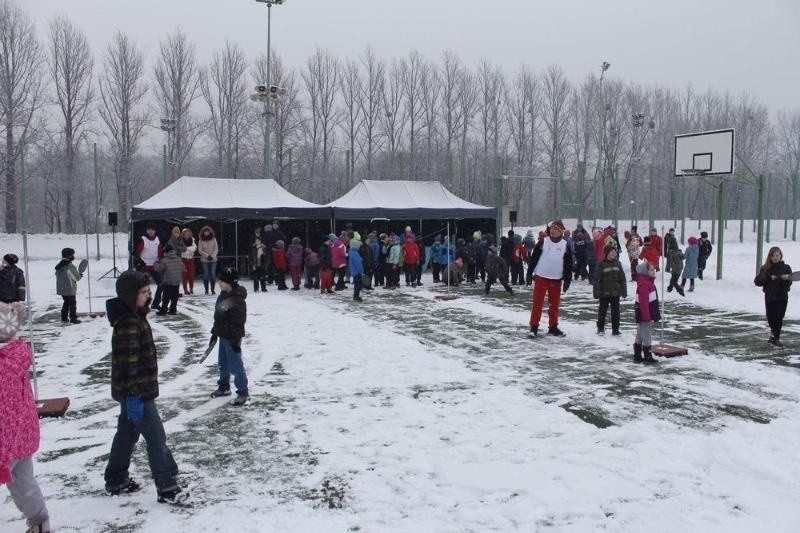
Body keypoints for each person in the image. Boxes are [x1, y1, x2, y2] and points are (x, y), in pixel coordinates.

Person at [104, 270, 186, 504]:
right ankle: (167, 486)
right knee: (155, 437)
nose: (148, 295)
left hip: (135, 390)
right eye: (143, 292)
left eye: (148, 291)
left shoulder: (136, 316)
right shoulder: (129, 322)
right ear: (130, 296)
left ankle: (116, 479)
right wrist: (132, 395)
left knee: (127, 433)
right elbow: (128, 362)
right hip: (137, 392)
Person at [0, 301, 51, 533]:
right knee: (24, 481)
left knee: (23, 481)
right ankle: (40, 522)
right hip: (22, 433)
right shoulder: (15, 354)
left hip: (5, 440)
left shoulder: (2, 365)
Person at [209, 267, 250, 405]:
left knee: (235, 365)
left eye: (222, 281)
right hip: (223, 335)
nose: (219, 284)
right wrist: (215, 331)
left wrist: (233, 339)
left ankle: (243, 392)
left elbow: (239, 321)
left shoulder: (237, 300)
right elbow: (219, 316)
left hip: (232, 337)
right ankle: (224, 386)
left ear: (230, 283)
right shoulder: (223, 295)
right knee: (223, 363)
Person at [528, 220, 573, 337]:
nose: (553, 231)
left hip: (556, 279)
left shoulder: (565, 245)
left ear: (561, 232)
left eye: (556, 229)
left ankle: (553, 327)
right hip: (541, 276)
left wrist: (567, 280)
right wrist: (529, 273)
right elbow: (534, 258)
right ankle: (534, 327)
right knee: (537, 303)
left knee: (554, 304)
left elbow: (568, 265)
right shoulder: (543, 242)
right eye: (552, 228)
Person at [754, 247, 793, 347]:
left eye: (777, 255)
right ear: (770, 256)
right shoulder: (765, 268)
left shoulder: (786, 268)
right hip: (770, 297)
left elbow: (790, 283)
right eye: (773, 256)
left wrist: (786, 279)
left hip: (782, 297)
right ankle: (772, 336)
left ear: (781, 256)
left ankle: (776, 338)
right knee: (771, 318)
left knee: (779, 318)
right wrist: (768, 278)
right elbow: (757, 282)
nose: (775, 257)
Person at [593, 245, 627, 336]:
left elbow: (622, 278)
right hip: (604, 292)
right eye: (612, 252)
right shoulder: (601, 264)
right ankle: (600, 328)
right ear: (607, 253)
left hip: (616, 292)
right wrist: (596, 292)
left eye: (615, 252)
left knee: (616, 312)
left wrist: (624, 290)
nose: (614, 253)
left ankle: (615, 329)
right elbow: (596, 280)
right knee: (602, 311)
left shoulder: (618, 264)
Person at [633, 261, 660, 364]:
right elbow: (643, 303)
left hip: (644, 314)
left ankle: (637, 355)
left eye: (654, 269)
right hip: (645, 314)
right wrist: (646, 316)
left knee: (640, 334)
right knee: (647, 334)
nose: (654, 271)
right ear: (645, 272)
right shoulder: (645, 284)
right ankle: (647, 355)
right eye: (651, 270)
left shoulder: (647, 283)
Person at [134, 223, 164, 309]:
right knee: (142, 287)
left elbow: (160, 253)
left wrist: (161, 261)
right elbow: (136, 253)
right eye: (149, 230)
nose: (151, 231)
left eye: (152, 230)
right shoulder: (143, 239)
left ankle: (155, 304)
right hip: (144, 266)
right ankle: (142, 304)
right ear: (146, 231)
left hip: (154, 265)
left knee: (161, 284)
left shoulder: (158, 239)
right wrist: (140, 262)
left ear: (155, 231)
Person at [55, 247, 86, 324]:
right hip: (70, 288)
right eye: (72, 254)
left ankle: (64, 318)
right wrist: (80, 274)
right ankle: (73, 318)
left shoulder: (59, 265)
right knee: (72, 304)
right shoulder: (69, 266)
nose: (73, 256)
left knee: (66, 303)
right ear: (68, 256)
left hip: (62, 289)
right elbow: (76, 277)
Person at [153, 244, 183, 315]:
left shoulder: (164, 260)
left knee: (166, 297)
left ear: (165, 252)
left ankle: (163, 310)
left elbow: (158, 269)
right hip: (177, 281)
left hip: (168, 281)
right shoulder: (178, 259)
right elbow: (182, 268)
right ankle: (173, 310)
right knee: (174, 296)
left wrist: (155, 263)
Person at [197, 226, 218, 295]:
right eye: (205, 232)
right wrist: (207, 256)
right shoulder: (201, 240)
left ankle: (212, 289)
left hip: (213, 259)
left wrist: (212, 256)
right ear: (203, 232)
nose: (206, 233)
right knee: (206, 274)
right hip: (204, 260)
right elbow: (199, 250)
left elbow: (216, 249)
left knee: (212, 273)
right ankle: (206, 290)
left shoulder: (213, 239)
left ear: (210, 232)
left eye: (208, 231)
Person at [179, 229, 197, 295]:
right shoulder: (180, 241)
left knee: (191, 275)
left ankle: (191, 288)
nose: (187, 235)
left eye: (188, 234)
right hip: (183, 260)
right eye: (185, 234)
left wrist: (186, 248)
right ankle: (185, 289)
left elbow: (194, 248)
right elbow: (181, 250)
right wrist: (189, 249)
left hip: (191, 260)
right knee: (184, 276)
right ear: (183, 235)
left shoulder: (192, 240)